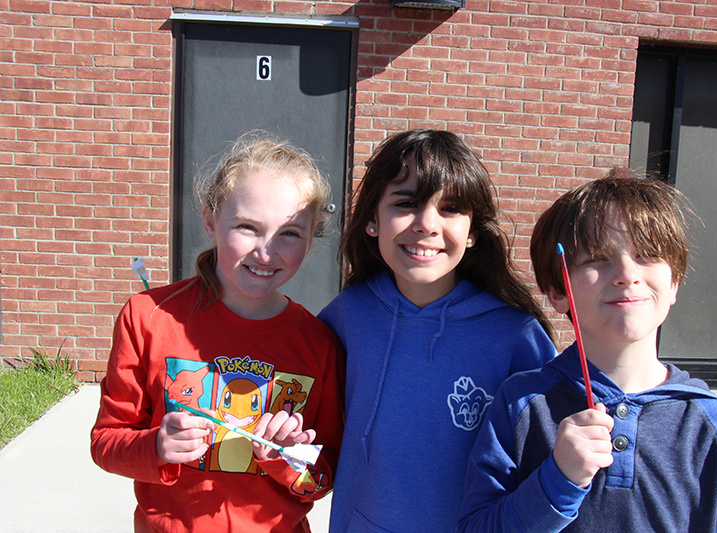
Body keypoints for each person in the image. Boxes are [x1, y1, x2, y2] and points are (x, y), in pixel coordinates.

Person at [458, 172, 717, 532]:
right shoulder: (521, 405)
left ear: (674, 284)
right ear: (558, 291)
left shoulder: (715, 426)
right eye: (596, 258)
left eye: (648, 254)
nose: (625, 274)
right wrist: (557, 480)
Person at [91, 134, 345, 532]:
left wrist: (291, 457)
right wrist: (157, 446)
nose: (266, 252)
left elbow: (323, 477)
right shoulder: (147, 317)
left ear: (312, 239)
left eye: (290, 233)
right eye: (247, 226)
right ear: (210, 221)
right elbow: (106, 444)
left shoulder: (320, 344)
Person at [318, 129, 557, 532]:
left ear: (473, 231)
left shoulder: (517, 337)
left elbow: (547, 463)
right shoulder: (346, 317)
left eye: (450, 208)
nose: (427, 224)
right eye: (406, 203)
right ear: (373, 219)